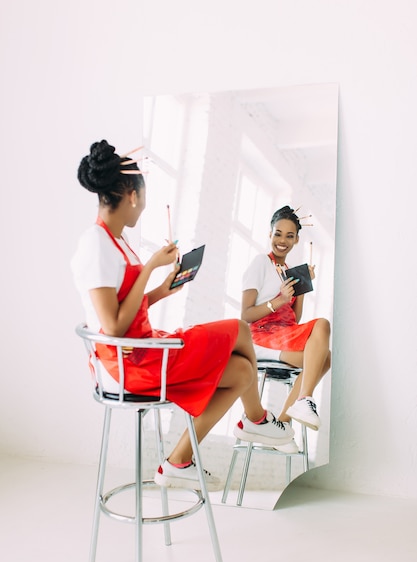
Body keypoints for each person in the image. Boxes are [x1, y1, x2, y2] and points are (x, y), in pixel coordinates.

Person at [71, 140, 295, 490]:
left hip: (143, 350)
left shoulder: (118, 242)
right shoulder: (95, 244)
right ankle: (256, 419)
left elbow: (123, 312)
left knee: (241, 371)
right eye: (142, 199)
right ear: (132, 195)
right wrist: (149, 270)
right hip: (130, 364)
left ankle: (178, 460)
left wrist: (161, 290)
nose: (142, 208)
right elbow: (113, 326)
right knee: (239, 328)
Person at [236, 205, 331, 450]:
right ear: (270, 234)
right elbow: (245, 314)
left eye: (289, 236)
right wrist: (277, 300)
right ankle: (303, 400)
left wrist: (302, 288)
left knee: (326, 358)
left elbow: (294, 320)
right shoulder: (260, 263)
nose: (282, 240)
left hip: (283, 335)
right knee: (322, 325)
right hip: (260, 336)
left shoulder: (287, 272)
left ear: (297, 240)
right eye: (278, 233)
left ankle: (281, 426)